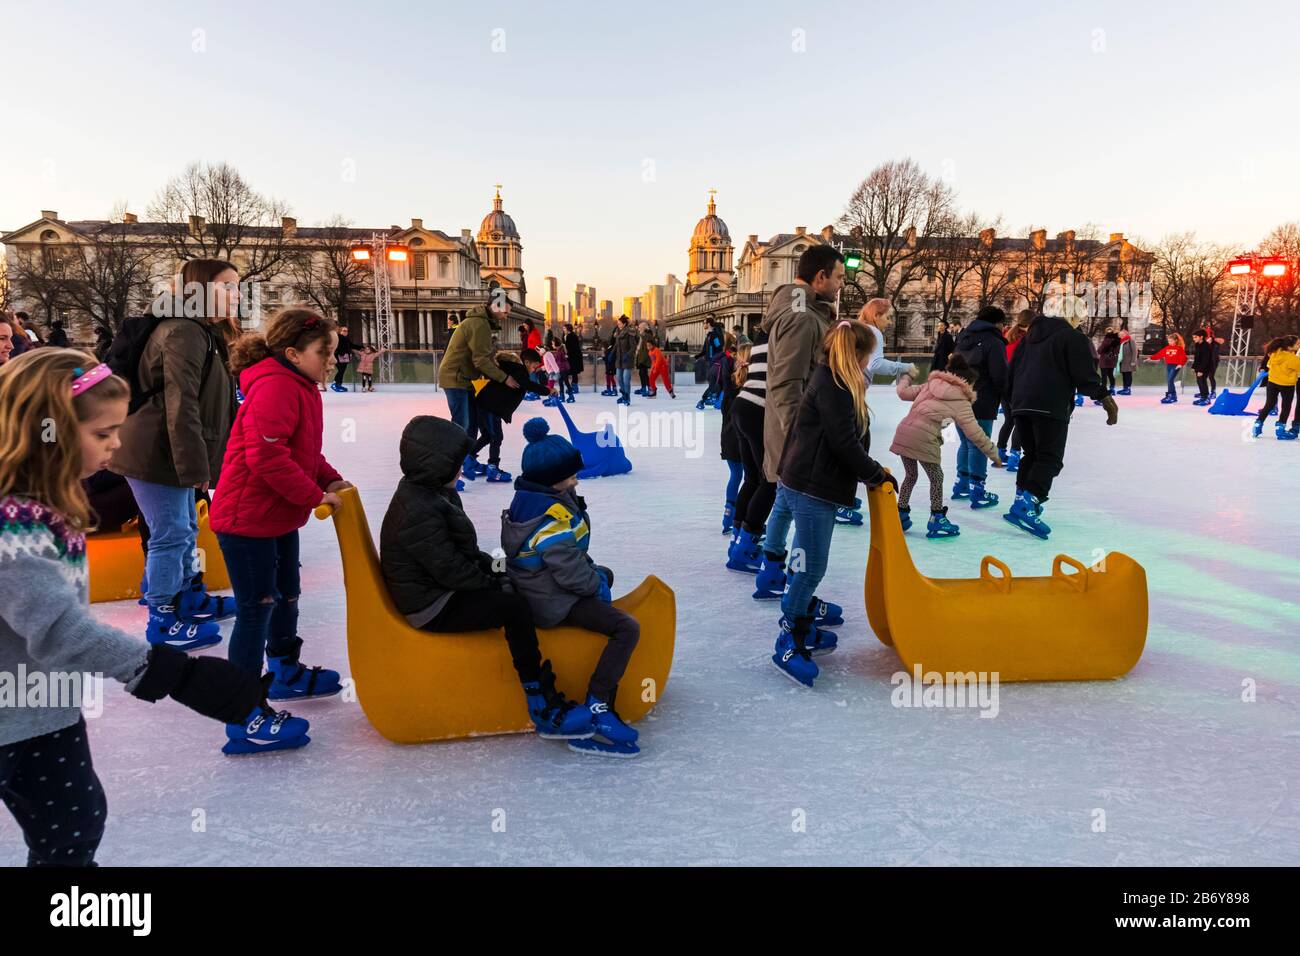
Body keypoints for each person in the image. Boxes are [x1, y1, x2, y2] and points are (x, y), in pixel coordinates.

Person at [0, 349, 301, 866]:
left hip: (45, 710)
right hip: (12, 717)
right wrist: (172, 674)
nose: (117, 444)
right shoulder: (13, 521)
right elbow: (56, 628)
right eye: (101, 433)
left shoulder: (49, 503)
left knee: (75, 827)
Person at [378, 415, 592, 740]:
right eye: (455, 463)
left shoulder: (432, 494)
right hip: (431, 605)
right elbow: (452, 570)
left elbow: (465, 556)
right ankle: (539, 702)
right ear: (435, 465)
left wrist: (500, 568)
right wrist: (496, 583)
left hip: (437, 589)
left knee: (509, 580)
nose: (462, 469)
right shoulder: (418, 510)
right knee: (513, 607)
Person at [211, 308, 351, 711]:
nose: (331, 360)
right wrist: (313, 495)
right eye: (323, 351)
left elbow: (303, 451)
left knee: (287, 595)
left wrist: (328, 479)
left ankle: (284, 670)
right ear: (292, 353)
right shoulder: (276, 387)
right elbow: (266, 457)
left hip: (277, 516)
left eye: (333, 351)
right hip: (247, 520)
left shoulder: (300, 385)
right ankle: (243, 709)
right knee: (257, 609)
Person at [109, 259, 241, 649]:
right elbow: (181, 405)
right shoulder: (183, 332)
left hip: (167, 449)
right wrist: (194, 466)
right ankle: (162, 618)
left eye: (237, 286)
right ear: (198, 289)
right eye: (228, 286)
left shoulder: (201, 330)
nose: (237, 295)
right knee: (170, 533)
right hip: (155, 451)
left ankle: (187, 599)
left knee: (183, 528)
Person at [501, 418, 643, 757]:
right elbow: (570, 574)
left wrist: (596, 575)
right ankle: (599, 705)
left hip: (544, 587)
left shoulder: (535, 499)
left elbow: (570, 558)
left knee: (604, 574)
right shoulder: (549, 518)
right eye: (571, 476)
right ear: (552, 481)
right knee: (626, 628)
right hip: (552, 601)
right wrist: (596, 588)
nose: (577, 479)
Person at [769, 321, 891, 687]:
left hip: (803, 480)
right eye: (870, 356)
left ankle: (803, 612)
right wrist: (875, 475)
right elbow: (843, 444)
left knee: (802, 557)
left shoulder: (831, 379)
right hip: (812, 488)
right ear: (856, 355)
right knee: (810, 567)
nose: (872, 363)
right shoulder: (835, 386)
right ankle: (790, 636)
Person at [754, 245, 845, 600]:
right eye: (837, 277)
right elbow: (786, 382)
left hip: (792, 428)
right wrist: (799, 435)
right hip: (798, 432)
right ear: (819, 276)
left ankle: (772, 571)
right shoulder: (802, 317)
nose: (840, 285)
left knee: (783, 500)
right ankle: (797, 592)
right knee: (802, 509)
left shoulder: (802, 310)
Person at [1003, 312, 1118, 538]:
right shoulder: (1071, 337)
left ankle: (1021, 500)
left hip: (1021, 405)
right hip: (1050, 405)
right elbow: (1083, 374)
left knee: (1031, 455)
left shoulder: (1027, 340)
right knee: (1049, 458)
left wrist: (1012, 400)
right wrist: (1105, 398)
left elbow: (1012, 371)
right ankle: (1027, 504)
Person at [891, 353, 1002, 539]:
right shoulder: (961, 401)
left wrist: (907, 376)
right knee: (937, 477)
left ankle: (900, 513)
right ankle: (937, 518)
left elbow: (902, 393)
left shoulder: (930, 386)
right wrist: (994, 454)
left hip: (904, 432)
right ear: (967, 383)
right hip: (923, 439)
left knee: (910, 475)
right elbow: (975, 433)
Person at [441, 292, 520, 479]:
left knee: (472, 426)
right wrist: (504, 378)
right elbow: (481, 360)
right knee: (462, 426)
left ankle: (466, 462)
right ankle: (450, 473)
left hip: (464, 379)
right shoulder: (479, 324)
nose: (506, 316)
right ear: (496, 307)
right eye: (505, 312)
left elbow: (483, 357)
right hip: (455, 379)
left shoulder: (481, 323)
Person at [950, 304, 1008, 508]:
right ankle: (977, 490)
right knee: (979, 444)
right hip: (982, 399)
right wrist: (1008, 395)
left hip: (959, 397)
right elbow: (1000, 374)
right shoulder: (994, 342)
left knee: (966, 443)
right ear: (998, 323)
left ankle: (962, 484)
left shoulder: (963, 338)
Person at [470, 348, 550, 482]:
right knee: (496, 437)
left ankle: (469, 458)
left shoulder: (513, 369)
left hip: (485, 405)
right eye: (535, 366)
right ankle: (492, 468)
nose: (535, 370)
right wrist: (547, 390)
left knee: (488, 436)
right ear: (527, 362)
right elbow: (527, 385)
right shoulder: (519, 370)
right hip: (490, 407)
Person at [720, 343, 749, 537]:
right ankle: (744, 519)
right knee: (751, 480)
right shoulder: (753, 384)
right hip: (745, 438)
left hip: (729, 437)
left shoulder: (730, 382)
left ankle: (728, 516)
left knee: (735, 476)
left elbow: (724, 409)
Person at [996, 310, 1032, 469]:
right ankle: (1014, 457)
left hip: (1005, 385)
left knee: (1009, 420)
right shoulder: (1028, 341)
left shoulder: (1007, 338)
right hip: (1019, 385)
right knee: (1020, 422)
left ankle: (999, 453)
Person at [1251, 336, 1300, 440]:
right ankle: (1280, 429)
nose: (1299, 345)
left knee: (1269, 404)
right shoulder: (1293, 359)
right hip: (1286, 384)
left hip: (1272, 382)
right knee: (1286, 406)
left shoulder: (1274, 353)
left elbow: (1269, 364)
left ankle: (1257, 424)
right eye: (1297, 344)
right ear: (1290, 346)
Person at [1145, 332, 1187, 404]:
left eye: (1171, 341)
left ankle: (1172, 396)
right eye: (1169, 341)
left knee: (1170, 380)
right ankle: (1170, 395)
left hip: (1175, 366)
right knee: (1169, 380)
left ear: (1175, 340)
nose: (1169, 342)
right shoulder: (1167, 348)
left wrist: (1180, 364)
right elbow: (1159, 354)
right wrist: (1151, 358)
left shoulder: (1179, 349)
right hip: (1169, 366)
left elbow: (1184, 358)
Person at [614, 315, 637, 406]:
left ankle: (627, 398)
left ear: (624, 324)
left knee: (626, 379)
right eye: (618, 323)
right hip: (619, 359)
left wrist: (627, 355)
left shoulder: (629, 333)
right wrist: (611, 353)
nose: (618, 325)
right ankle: (624, 395)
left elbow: (633, 347)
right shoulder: (618, 333)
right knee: (619, 378)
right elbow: (616, 346)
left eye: (619, 323)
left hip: (627, 360)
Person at [1190, 330, 1216, 406]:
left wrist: (1201, 370)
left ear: (1201, 337)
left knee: (1202, 381)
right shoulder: (1197, 345)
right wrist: (1193, 367)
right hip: (1199, 367)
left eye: (1195, 337)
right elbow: (1197, 357)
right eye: (1193, 337)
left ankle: (1206, 398)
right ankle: (1203, 397)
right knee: (1199, 381)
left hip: (1206, 367)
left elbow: (1206, 359)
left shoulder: (1206, 346)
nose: (1194, 339)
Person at [1097, 327, 1121, 396]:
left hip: (1104, 360)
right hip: (1112, 360)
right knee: (1111, 375)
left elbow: (1099, 351)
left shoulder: (1106, 340)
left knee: (1104, 376)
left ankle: (1104, 389)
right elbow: (1118, 351)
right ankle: (1112, 389)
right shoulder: (1117, 341)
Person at [330, 328, 355, 393]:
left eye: (347, 331)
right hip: (338, 356)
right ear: (340, 331)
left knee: (342, 370)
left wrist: (362, 348)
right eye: (344, 330)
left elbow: (351, 345)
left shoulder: (346, 338)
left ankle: (339, 384)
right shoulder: (339, 337)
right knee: (341, 370)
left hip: (345, 357)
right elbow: (336, 346)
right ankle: (334, 383)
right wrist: (339, 352)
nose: (346, 332)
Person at [563, 322, 584, 398]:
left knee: (573, 372)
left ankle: (573, 388)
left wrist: (565, 349)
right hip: (574, 357)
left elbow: (569, 347)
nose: (563, 330)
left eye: (564, 328)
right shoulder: (570, 335)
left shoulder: (570, 336)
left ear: (568, 329)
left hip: (573, 358)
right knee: (574, 372)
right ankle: (574, 387)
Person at [1116, 324, 1137, 395]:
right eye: (1120, 335)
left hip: (1129, 361)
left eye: (1122, 334)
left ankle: (1128, 389)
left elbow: (1134, 351)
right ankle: (1125, 388)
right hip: (1122, 361)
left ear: (1126, 334)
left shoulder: (1130, 341)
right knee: (1124, 375)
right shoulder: (1120, 342)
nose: (1121, 336)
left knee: (1128, 375)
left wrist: (1133, 361)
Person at [634, 329, 652, 396]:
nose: (638, 329)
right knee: (643, 373)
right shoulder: (641, 337)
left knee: (643, 373)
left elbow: (647, 349)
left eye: (639, 328)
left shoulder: (647, 337)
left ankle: (647, 388)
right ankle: (645, 388)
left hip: (644, 359)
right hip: (641, 358)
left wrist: (642, 359)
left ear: (643, 329)